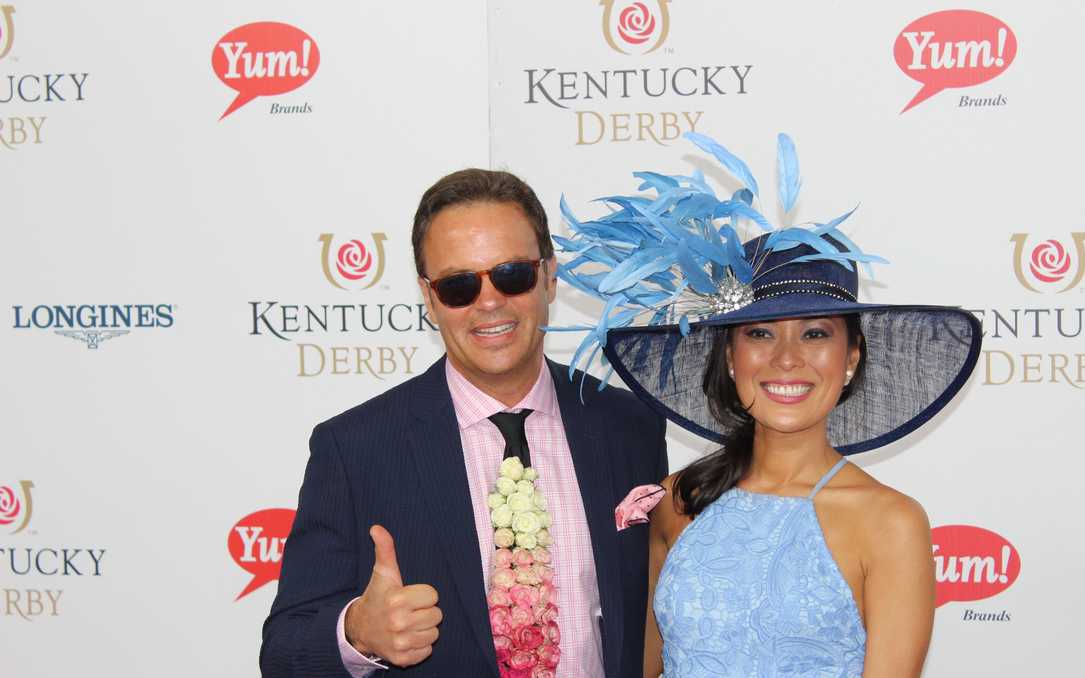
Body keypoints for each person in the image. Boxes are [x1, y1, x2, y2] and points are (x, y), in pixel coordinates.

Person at [553, 133, 982, 677]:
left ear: (851, 357)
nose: (785, 359)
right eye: (759, 333)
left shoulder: (891, 523)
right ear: (730, 358)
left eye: (814, 334)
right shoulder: (676, 500)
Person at [260, 169, 668, 678]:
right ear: (429, 298)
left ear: (550, 276)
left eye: (512, 274)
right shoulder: (355, 448)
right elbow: (283, 654)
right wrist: (358, 633)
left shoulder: (629, 425)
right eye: (458, 286)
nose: (490, 301)